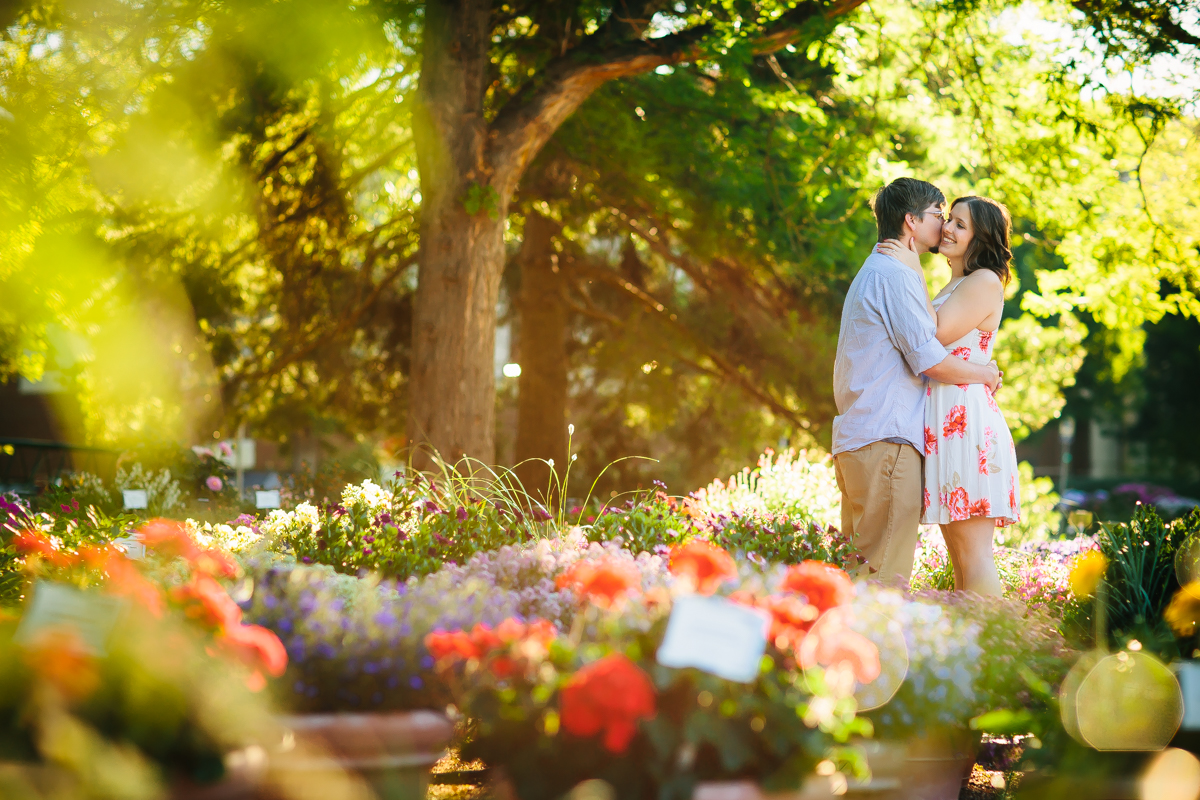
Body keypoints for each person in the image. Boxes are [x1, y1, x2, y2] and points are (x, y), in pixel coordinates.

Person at [832, 178, 1001, 585]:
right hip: (886, 440)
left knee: (865, 574)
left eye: (955, 222)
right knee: (883, 579)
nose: (943, 226)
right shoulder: (897, 273)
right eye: (940, 216)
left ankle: (989, 647)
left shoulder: (882, 269)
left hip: (871, 436)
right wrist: (985, 373)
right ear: (911, 221)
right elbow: (929, 356)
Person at [876, 195, 1021, 596]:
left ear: (981, 237)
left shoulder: (984, 280)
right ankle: (976, 655)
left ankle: (1002, 651)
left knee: (973, 557)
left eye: (960, 224)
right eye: (948, 220)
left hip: (967, 424)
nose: (948, 229)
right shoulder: (956, 282)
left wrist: (911, 268)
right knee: (959, 558)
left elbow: (933, 334)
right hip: (944, 422)